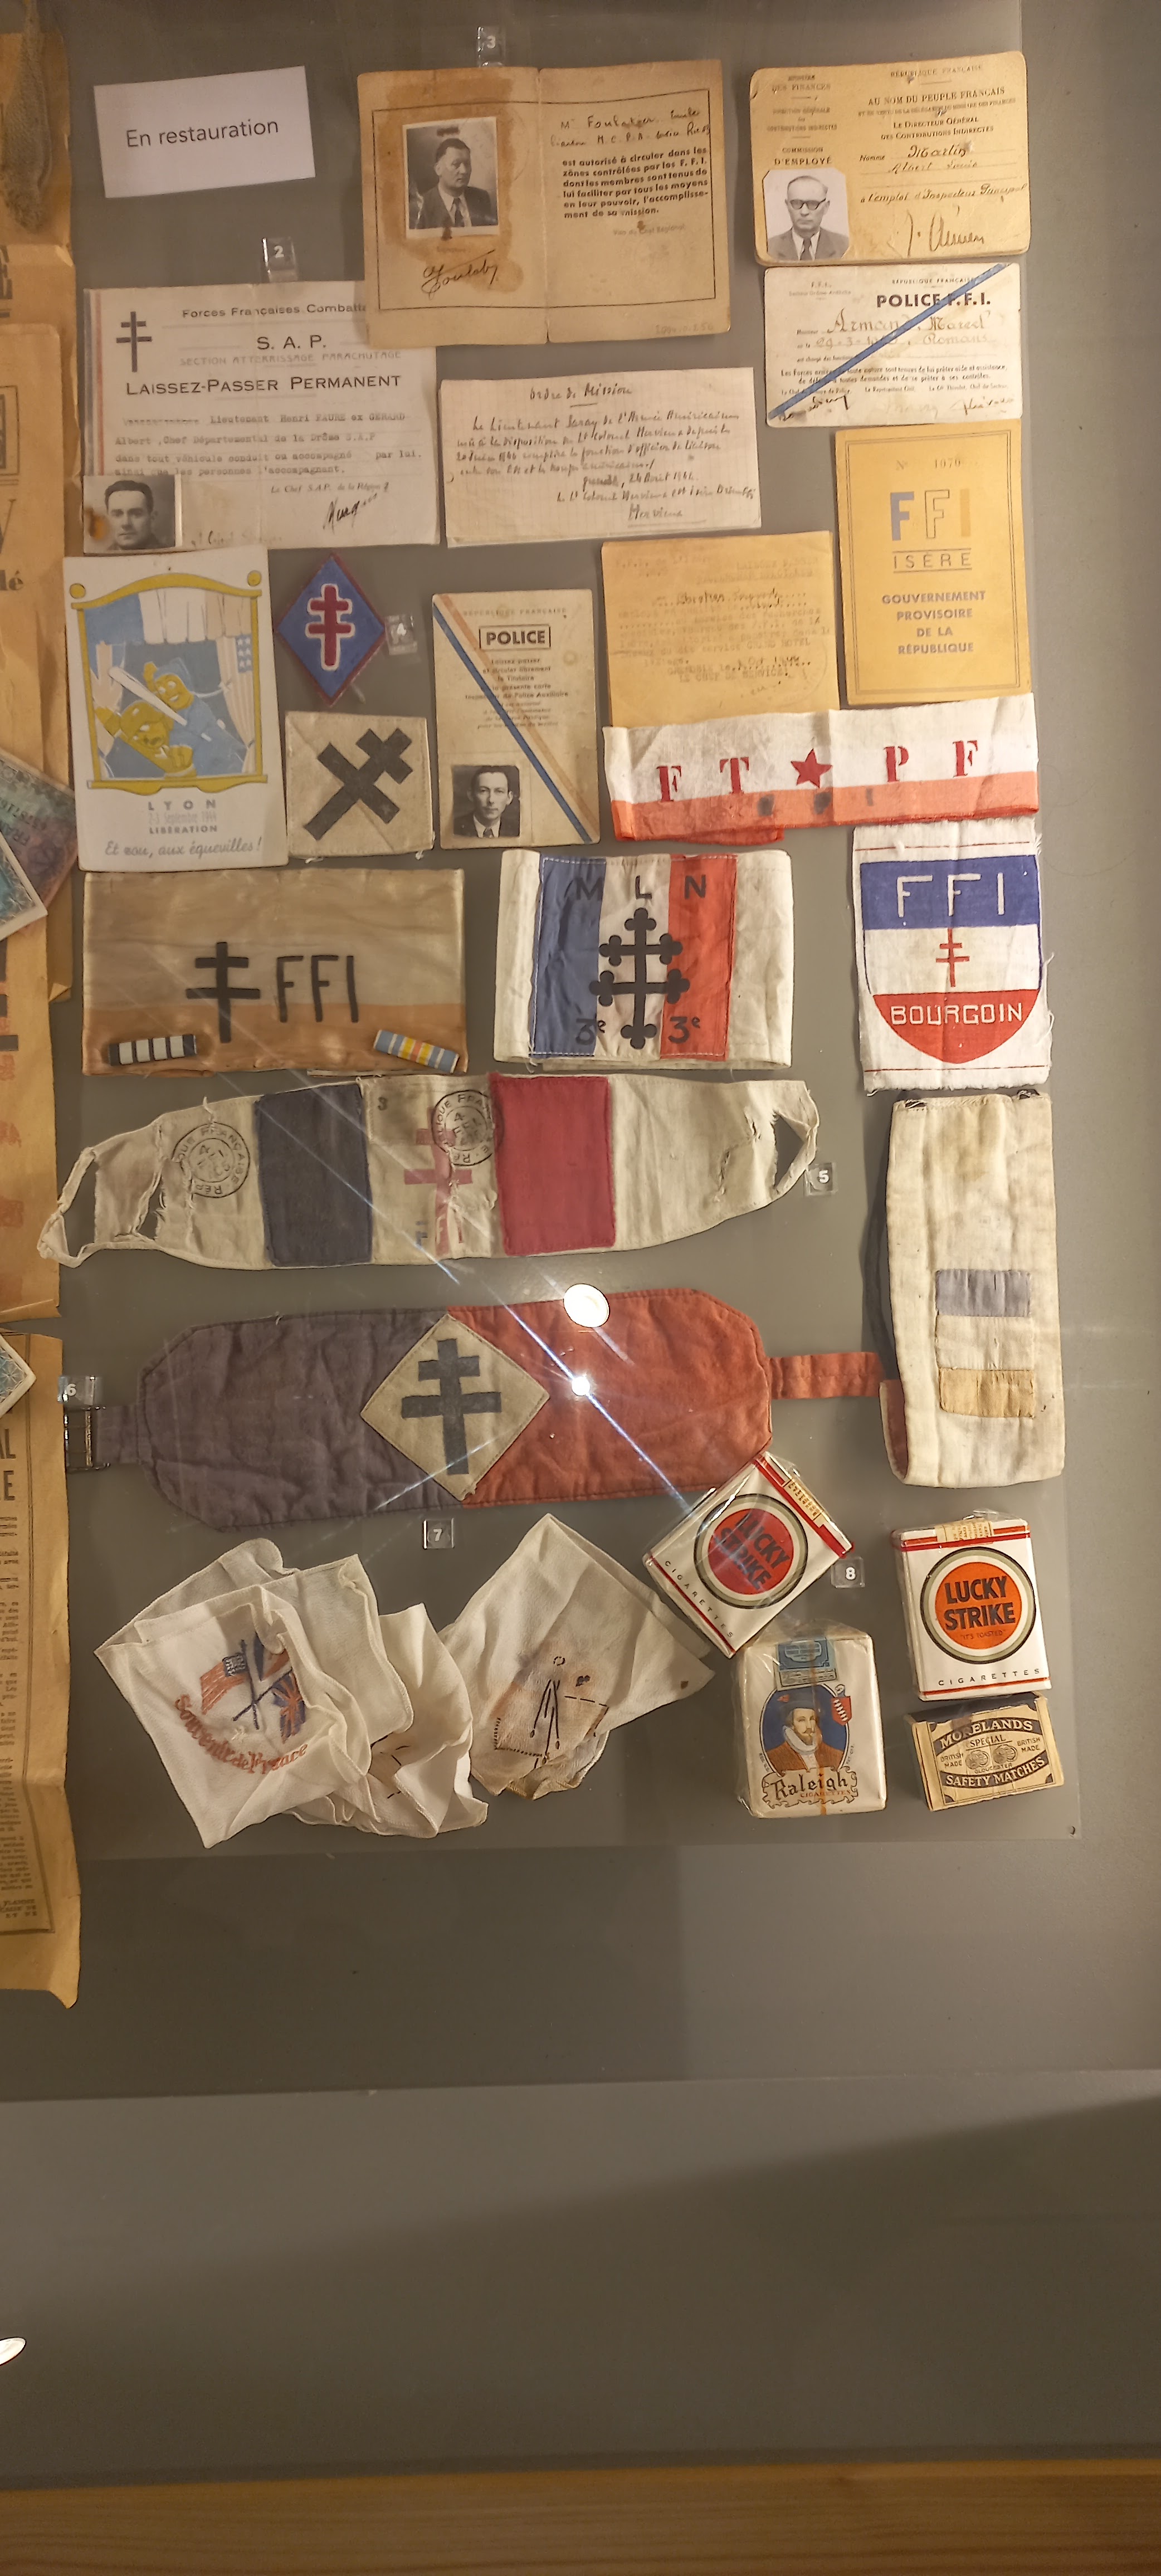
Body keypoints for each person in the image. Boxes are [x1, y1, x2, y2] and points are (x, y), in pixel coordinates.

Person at [414, 134, 496, 231]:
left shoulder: (482, 198)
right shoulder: (422, 205)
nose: (464, 171)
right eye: (456, 164)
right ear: (439, 169)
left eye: (467, 164)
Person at [767, 172, 849, 263]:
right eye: (797, 203)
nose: (804, 212)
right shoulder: (769, 248)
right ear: (787, 206)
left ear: (826, 207)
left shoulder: (845, 247)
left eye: (813, 204)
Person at [765, 1691, 846, 1778]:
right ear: (791, 1724)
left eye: (812, 1719)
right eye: (802, 1720)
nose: (809, 1727)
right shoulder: (775, 1758)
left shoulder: (836, 1756)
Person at [453, 765, 519, 838]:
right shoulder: (453, 828)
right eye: (483, 791)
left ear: (509, 798)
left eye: (499, 791)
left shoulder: (518, 830)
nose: (491, 800)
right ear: (471, 795)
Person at [103, 479, 159, 550]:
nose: (126, 524)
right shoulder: (101, 557)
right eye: (117, 515)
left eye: (136, 514)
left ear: (152, 519)